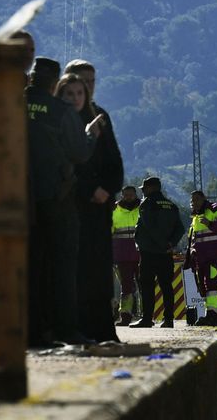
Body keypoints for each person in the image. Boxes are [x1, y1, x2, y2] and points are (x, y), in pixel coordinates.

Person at [25, 57, 97, 346]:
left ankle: (32, 331)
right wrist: (90, 136)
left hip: (18, 200)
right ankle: (65, 329)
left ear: (31, 78)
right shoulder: (61, 111)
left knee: (30, 266)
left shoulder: (9, 104)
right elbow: (79, 153)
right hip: (56, 198)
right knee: (63, 267)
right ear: (55, 83)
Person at [55, 72, 121, 342]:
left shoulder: (100, 119)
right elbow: (68, 163)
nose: (76, 98)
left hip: (100, 211)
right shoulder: (58, 122)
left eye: (80, 93)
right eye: (69, 94)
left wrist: (107, 187)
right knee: (76, 272)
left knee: (100, 271)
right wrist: (89, 189)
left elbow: (114, 162)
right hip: (73, 207)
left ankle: (103, 328)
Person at [130, 177, 186, 328]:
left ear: (152, 188)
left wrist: (162, 244)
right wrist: (170, 243)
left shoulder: (147, 204)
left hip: (149, 252)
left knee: (147, 285)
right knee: (166, 286)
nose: (142, 191)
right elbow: (180, 228)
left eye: (144, 188)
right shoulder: (171, 205)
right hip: (166, 253)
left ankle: (147, 319)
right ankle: (168, 319)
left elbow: (150, 227)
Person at [184, 191, 217, 326]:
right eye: (192, 200)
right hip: (200, 258)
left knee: (211, 285)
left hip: (212, 256)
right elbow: (193, 239)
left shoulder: (215, 209)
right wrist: (190, 256)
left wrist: (210, 223)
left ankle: (213, 315)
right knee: (203, 287)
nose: (194, 202)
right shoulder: (195, 217)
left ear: (204, 199)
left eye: (197, 199)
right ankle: (209, 314)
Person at [112, 186, 141, 326]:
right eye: (126, 195)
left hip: (141, 253)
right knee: (126, 287)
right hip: (122, 255)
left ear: (136, 194)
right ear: (122, 195)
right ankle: (125, 316)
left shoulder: (143, 208)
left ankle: (147, 316)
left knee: (144, 285)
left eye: (131, 194)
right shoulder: (114, 209)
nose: (128, 197)